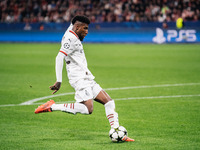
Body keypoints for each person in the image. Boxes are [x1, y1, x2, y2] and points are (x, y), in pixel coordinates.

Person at [34, 15, 134, 142]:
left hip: (86, 76)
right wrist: (59, 80)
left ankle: (117, 131)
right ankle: (52, 106)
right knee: (88, 109)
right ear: (77, 28)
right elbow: (59, 57)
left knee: (109, 102)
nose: (87, 32)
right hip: (79, 79)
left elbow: (75, 21)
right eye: (85, 29)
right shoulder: (70, 39)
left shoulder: (73, 30)